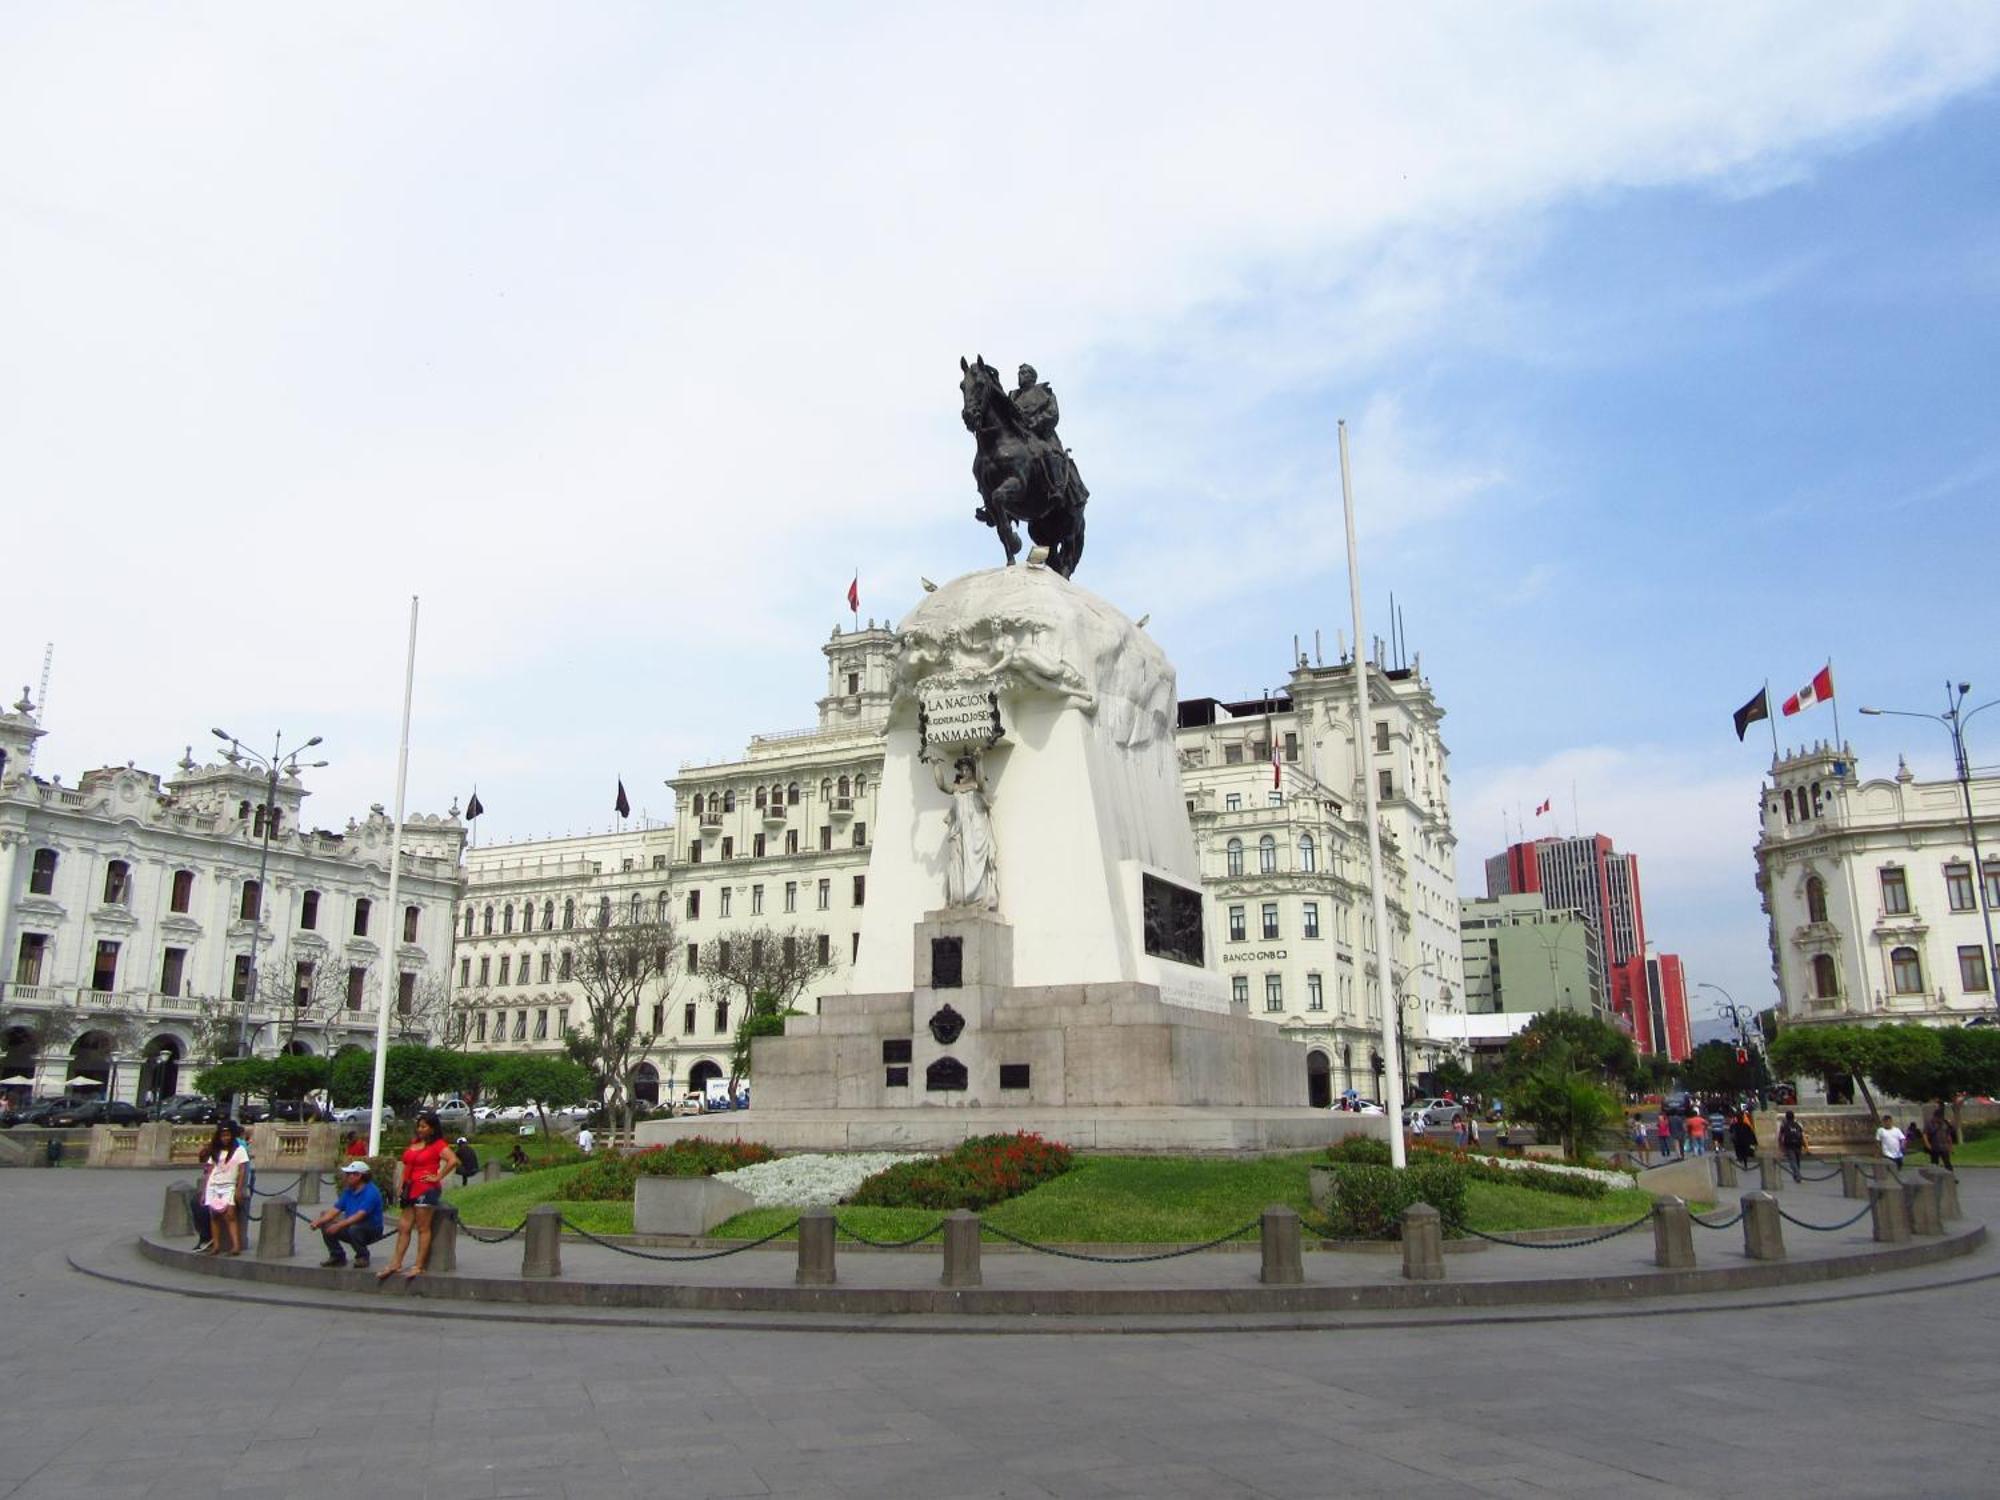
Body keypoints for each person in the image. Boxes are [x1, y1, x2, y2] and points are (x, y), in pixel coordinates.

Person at [375, 1110, 458, 1282]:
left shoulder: (438, 1145)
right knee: (404, 1227)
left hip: (426, 1189)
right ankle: (395, 1262)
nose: (420, 1129)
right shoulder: (415, 1143)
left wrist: (438, 1176)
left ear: (432, 1129)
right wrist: (401, 1186)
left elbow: (453, 1160)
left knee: (422, 1227)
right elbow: (407, 1165)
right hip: (410, 1188)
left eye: (423, 1127)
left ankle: (418, 1265)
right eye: (419, 1126)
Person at [309, 1159, 385, 1268]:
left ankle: (363, 1256)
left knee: (354, 1228)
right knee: (327, 1225)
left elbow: (360, 1215)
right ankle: (337, 1255)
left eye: (349, 1174)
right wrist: (319, 1222)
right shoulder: (349, 1191)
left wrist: (339, 1225)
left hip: (371, 1229)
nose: (347, 1177)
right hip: (353, 1225)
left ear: (359, 1176)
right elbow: (335, 1210)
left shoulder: (371, 1192)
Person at [202, 1120, 251, 1256]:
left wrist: (239, 1189)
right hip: (214, 1185)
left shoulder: (239, 1150)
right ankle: (216, 1245)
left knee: (230, 1215)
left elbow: (242, 1170)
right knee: (214, 1215)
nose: (225, 1138)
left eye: (228, 1135)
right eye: (223, 1135)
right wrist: (205, 1189)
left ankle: (236, 1246)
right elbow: (209, 1169)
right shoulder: (215, 1150)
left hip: (229, 1185)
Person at [1777, 1109, 1806, 1182]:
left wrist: (1781, 1146)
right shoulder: (1798, 1124)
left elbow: (1781, 1136)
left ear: (1786, 1117)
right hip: (1798, 1145)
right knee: (1797, 1161)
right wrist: (1805, 1146)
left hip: (1789, 1145)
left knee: (1793, 1161)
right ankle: (1797, 1175)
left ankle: (1797, 1175)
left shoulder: (1784, 1125)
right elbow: (1802, 1135)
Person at [1925, 1105, 1957, 1172]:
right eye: (1938, 1117)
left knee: (1947, 1163)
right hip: (1934, 1147)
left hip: (1944, 1147)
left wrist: (1951, 1146)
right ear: (1935, 1116)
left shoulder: (1945, 1123)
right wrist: (1927, 1144)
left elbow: (1948, 1135)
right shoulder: (1930, 1123)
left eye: (1941, 1117)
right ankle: (1934, 1178)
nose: (1940, 1119)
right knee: (1934, 1164)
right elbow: (1925, 1134)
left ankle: (1951, 1177)